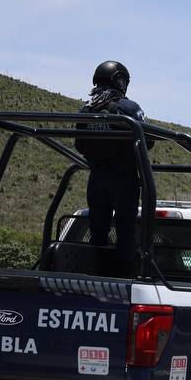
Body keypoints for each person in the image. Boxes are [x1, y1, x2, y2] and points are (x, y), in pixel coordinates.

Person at [74, 60, 148, 277]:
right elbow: (148, 141)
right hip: (124, 178)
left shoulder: (86, 110)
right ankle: (125, 275)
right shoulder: (129, 108)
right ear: (121, 81)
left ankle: (97, 272)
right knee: (126, 230)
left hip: (96, 178)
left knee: (97, 229)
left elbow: (80, 144)